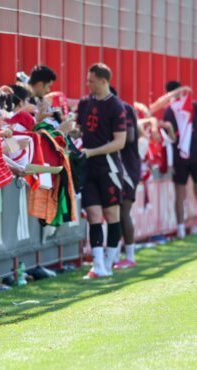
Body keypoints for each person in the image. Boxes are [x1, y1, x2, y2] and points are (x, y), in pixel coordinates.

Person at [77, 63, 127, 279]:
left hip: (109, 168)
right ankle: (97, 265)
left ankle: (108, 261)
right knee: (94, 215)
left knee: (112, 215)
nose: (88, 84)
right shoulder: (84, 103)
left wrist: (92, 151)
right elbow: (80, 130)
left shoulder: (116, 106)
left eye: (92, 80)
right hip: (87, 168)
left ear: (104, 81)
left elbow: (120, 142)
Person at [162, 81, 197, 238]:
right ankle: (191, 226)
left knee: (180, 193)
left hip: (179, 157)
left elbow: (168, 137)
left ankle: (181, 228)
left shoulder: (168, 110)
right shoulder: (192, 106)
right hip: (194, 154)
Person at [110, 87, 140, 269]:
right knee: (113, 212)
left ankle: (130, 256)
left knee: (123, 212)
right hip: (115, 166)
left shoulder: (123, 108)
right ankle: (114, 256)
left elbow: (129, 137)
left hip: (127, 167)